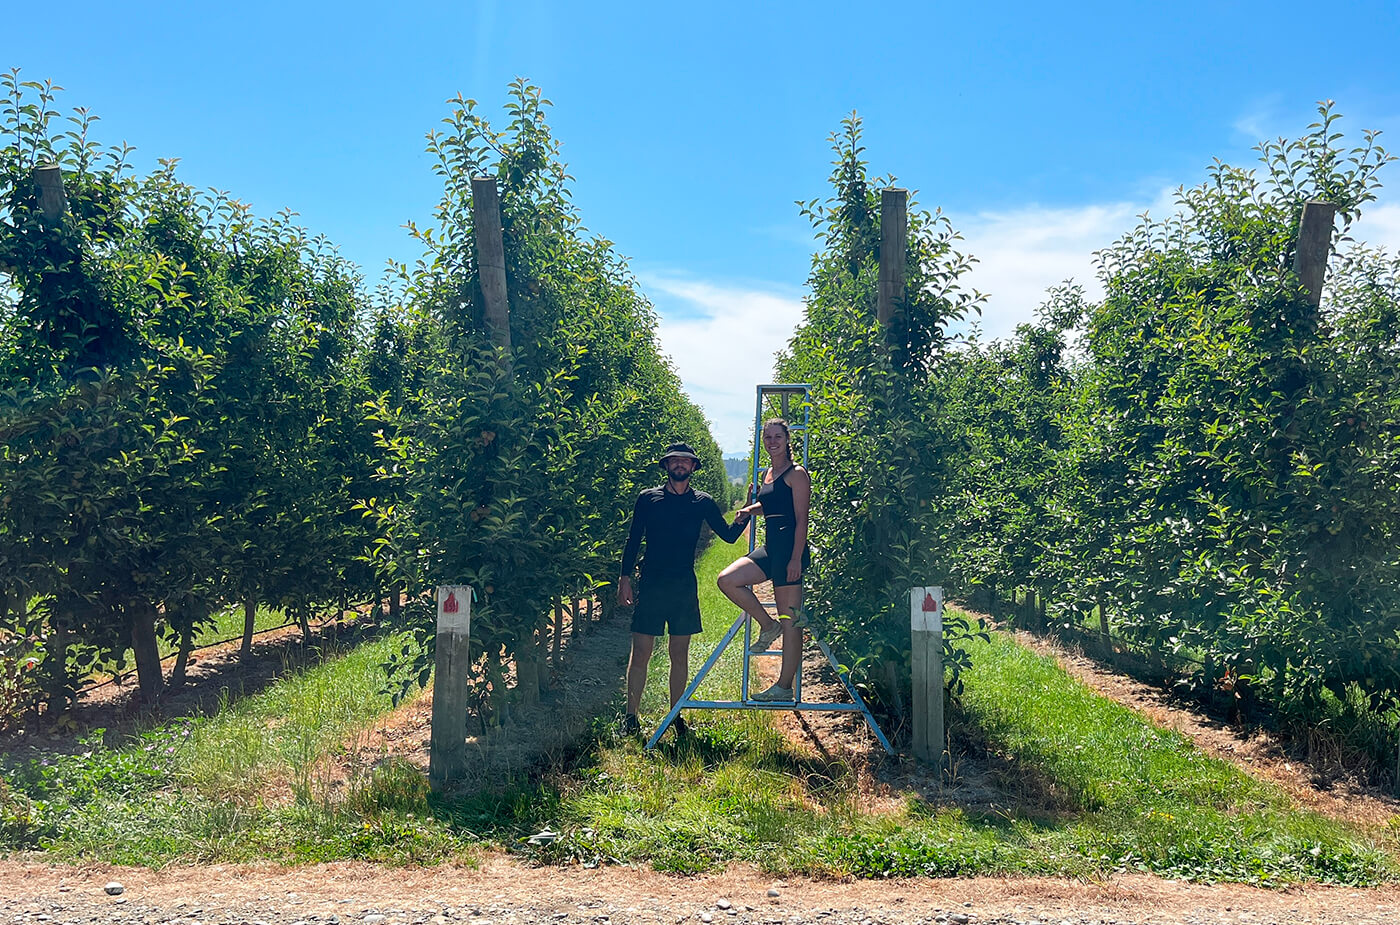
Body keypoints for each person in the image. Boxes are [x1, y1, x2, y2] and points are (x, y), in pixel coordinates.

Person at [618, 442, 751, 736]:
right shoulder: (647, 499)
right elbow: (633, 539)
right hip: (651, 582)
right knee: (641, 651)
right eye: (674, 460)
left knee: (680, 653)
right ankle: (630, 717)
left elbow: (729, 536)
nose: (680, 464)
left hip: (683, 585)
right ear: (666, 466)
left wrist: (747, 513)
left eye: (685, 461)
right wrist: (624, 578)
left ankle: (675, 716)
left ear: (693, 467)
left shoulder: (703, 502)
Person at [716, 419, 812, 702]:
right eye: (767, 437)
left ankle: (783, 687)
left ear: (787, 439)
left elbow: (801, 518)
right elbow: (772, 504)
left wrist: (795, 558)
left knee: (791, 620)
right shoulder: (770, 473)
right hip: (771, 549)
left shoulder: (797, 474)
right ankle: (768, 625)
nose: (772, 441)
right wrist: (749, 509)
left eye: (777, 436)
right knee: (727, 580)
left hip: (789, 552)